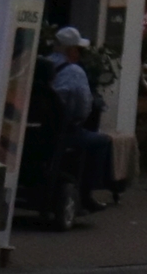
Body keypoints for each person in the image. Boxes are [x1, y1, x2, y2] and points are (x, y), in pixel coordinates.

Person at [46, 27, 121, 204]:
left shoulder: (41, 65)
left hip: (38, 130)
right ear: (71, 50)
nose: (80, 54)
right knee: (101, 141)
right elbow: (83, 108)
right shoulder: (74, 72)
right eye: (78, 50)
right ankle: (87, 194)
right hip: (63, 132)